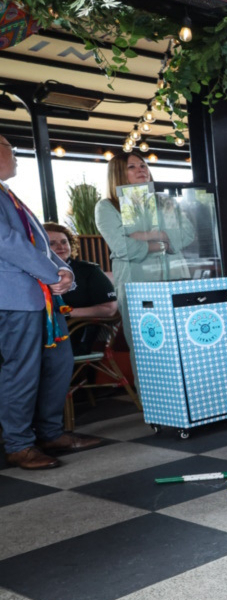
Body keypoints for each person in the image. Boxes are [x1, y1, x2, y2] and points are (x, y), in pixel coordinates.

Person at [0, 134, 102, 470]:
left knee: (57, 365)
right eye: (11, 149)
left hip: (43, 299)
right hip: (14, 299)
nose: (16, 156)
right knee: (22, 372)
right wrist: (51, 273)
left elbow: (40, 243)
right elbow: (7, 242)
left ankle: (50, 433)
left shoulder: (9, 194)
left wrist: (65, 271)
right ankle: (19, 444)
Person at [95, 151, 195, 357]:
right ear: (118, 173)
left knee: (184, 342)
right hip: (137, 281)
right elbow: (122, 247)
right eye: (132, 167)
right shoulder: (107, 206)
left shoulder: (165, 201)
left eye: (143, 165)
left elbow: (187, 234)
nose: (141, 170)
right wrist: (164, 241)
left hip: (175, 275)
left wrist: (146, 236)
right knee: (146, 345)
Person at [43, 222, 117, 356]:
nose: (60, 247)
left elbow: (110, 309)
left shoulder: (88, 271)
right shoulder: (31, 274)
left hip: (74, 333)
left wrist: (66, 313)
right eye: (52, 243)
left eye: (64, 242)